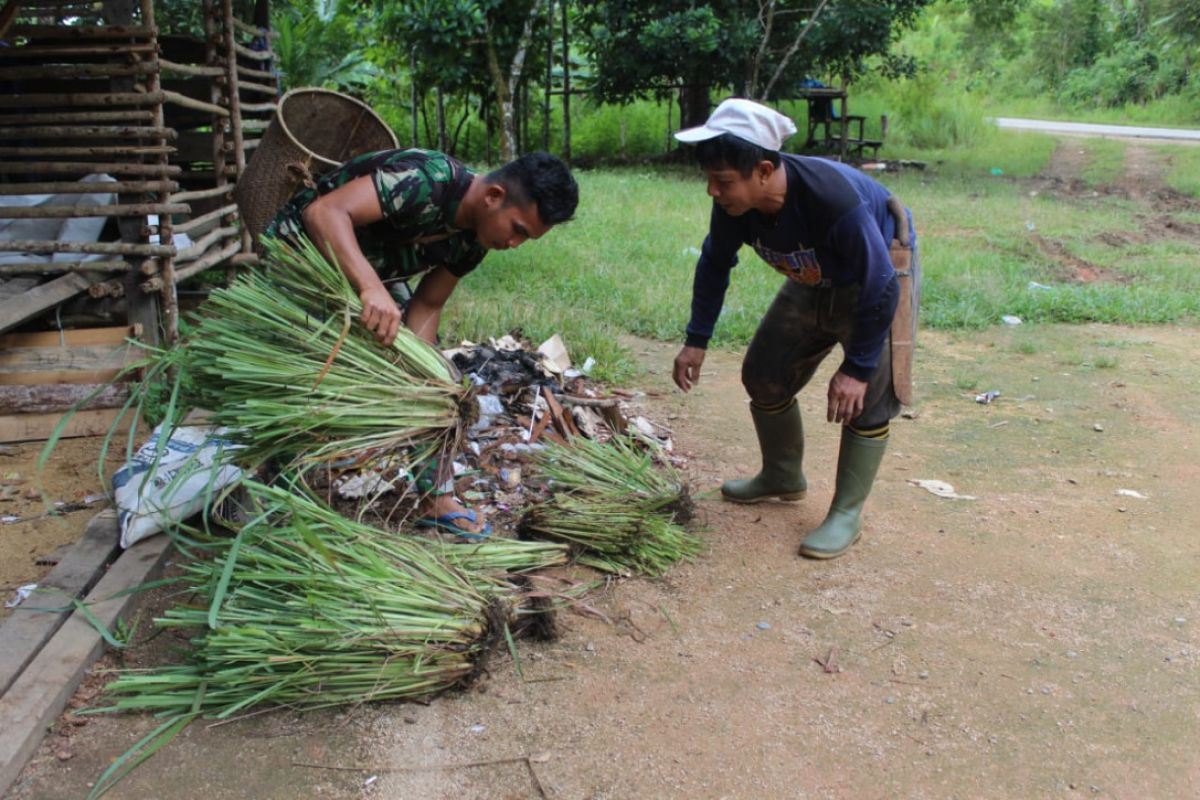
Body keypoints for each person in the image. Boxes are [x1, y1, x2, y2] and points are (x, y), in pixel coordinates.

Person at [266, 148, 579, 538]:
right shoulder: (427, 182)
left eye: (526, 238)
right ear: (493, 196)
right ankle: (276, 491)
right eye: (517, 229)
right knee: (299, 374)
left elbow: (428, 304)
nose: (515, 243)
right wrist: (369, 288)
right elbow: (324, 214)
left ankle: (435, 496)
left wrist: (423, 371)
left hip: (370, 274)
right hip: (303, 257)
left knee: (436, 383)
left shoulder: (473, 242)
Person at [671, 98, 918, 559]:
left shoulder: (830, 198)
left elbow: (881, 283)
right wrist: (696, 340)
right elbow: (714, 264)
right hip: (813, 278)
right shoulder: (734, 207)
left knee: (868, 399)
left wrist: (858, 368)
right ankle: (783, 475)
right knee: (763, 373)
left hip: (875, 273)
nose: (713, 192)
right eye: (709, 179)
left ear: (764, 171)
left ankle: (847, 512)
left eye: (722, 181)